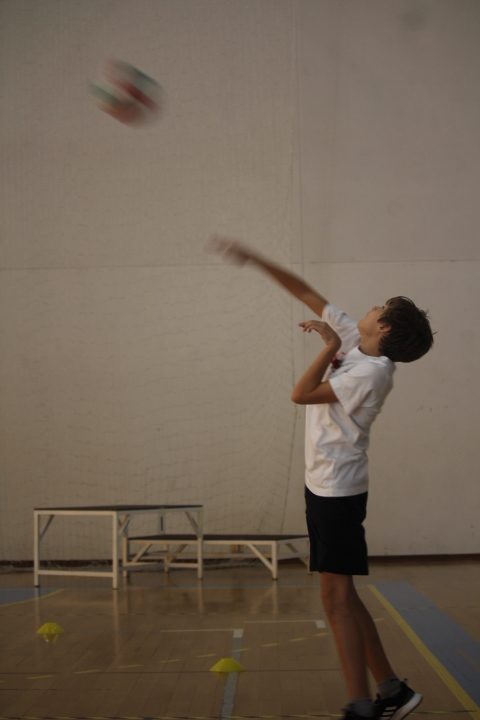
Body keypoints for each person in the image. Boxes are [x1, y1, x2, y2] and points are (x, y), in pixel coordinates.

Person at [210, 237, 434, 720]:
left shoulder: (372, 372)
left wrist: (329, 346)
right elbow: (307, 292)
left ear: (384, 327)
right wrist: (255, 259)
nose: (371, 307)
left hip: (338, 491)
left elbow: (301, 394)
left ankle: (360, 705)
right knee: (344, 597)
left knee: (334, 601)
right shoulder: (358, 339)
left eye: (380, 307)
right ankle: (391, 690)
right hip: (323, 486)